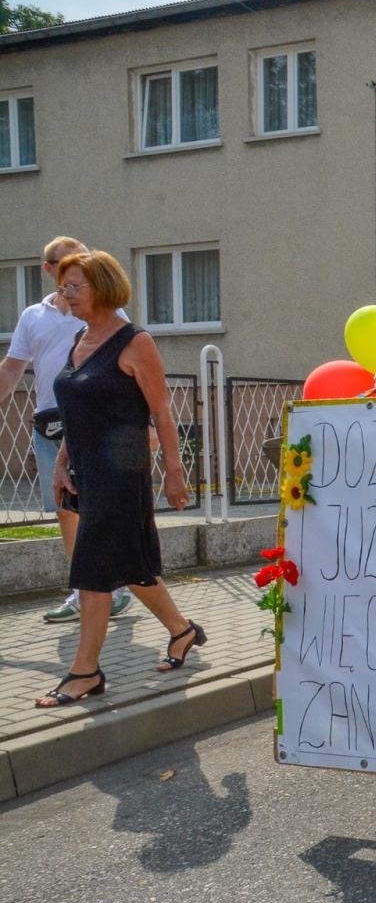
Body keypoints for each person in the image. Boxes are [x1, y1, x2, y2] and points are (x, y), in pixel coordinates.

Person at [34, 250, 206, 708]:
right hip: (85, 470)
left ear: (104, 289)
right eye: (63, 286)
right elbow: (76, 413)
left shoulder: (135, 342)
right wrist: (60, 463)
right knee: (131, 566)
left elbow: (162, 412)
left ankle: (85, 671)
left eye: (76, 287)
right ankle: (183, 631)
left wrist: (174, 472)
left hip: (121, 471)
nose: (66, 294)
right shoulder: (80, 340)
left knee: (91, 570)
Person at [0, 235, 133, 623]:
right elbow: (13, 366)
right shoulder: (33, 316)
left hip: (94, 424)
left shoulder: (107, 312)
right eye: (66, 265)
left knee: (98, 508)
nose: (77, 270)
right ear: (49, 270)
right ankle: (84, 591)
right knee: (66, 510)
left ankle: (116, 586)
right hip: (50, 424)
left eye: (85, 261)